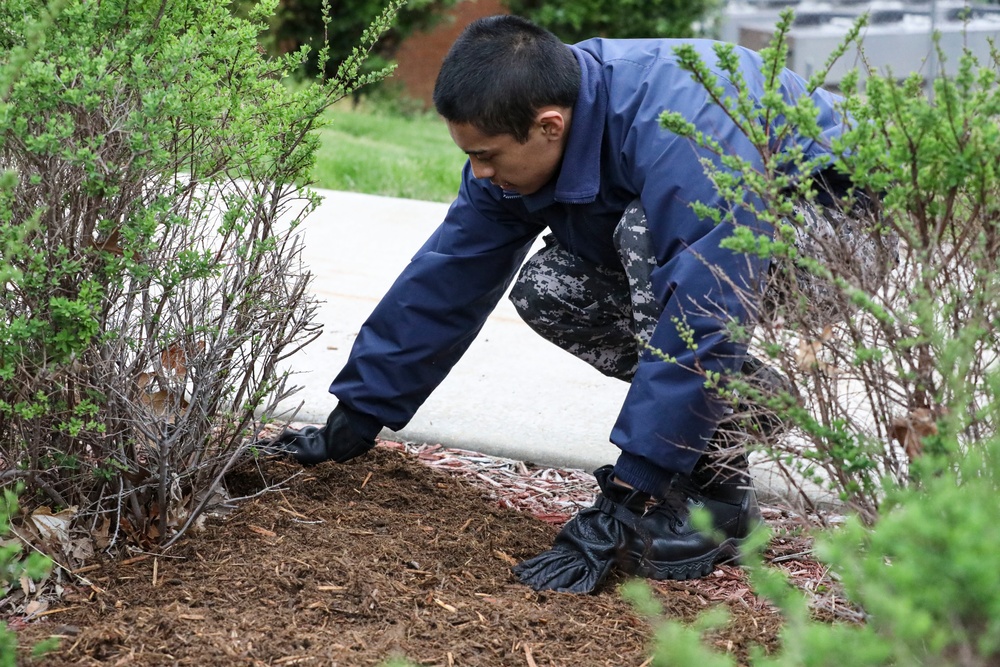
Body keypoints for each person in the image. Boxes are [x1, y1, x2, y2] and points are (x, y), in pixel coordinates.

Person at [269, 15, 892, 593]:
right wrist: (357, 414)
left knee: (646, 235)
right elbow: (451, 273)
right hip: (716, 239)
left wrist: (627, 500)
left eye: (486, 155)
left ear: (549, 125)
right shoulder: (523, 129)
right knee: (551, 289)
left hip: (840, 233)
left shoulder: (678, 134)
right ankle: (734, 428)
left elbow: (700, 315)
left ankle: (717, 498)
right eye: (469, 156)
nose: (479, 173)